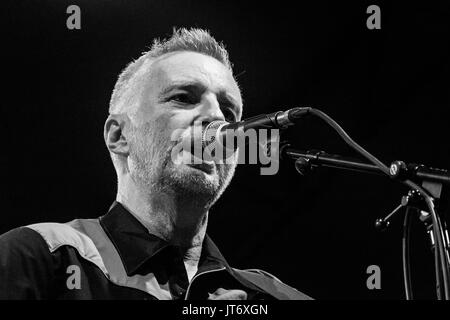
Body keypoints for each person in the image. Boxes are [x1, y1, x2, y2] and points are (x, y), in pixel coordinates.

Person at [0, 28, 311, 300]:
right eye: (184, 97)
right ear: (120, 135)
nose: (217, 118)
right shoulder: (41, 256)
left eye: (229, 113)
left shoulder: (270, 294)